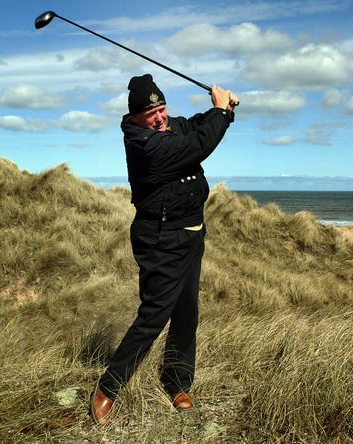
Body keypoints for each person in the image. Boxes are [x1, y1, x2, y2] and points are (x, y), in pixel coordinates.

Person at [89, 74, 239, 424]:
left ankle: (177, 381)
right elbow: (198, 144)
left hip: (191, 234)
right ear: (136, 118)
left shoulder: (171, 126)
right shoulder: (144, 144)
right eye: (151, 113)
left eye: (162, 108)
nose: (159, 117)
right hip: (160, 238)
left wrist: (225, 111)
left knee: (187, 311)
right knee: (154, 314)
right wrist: (220, 112)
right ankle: (108, 387)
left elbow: (199, 124)